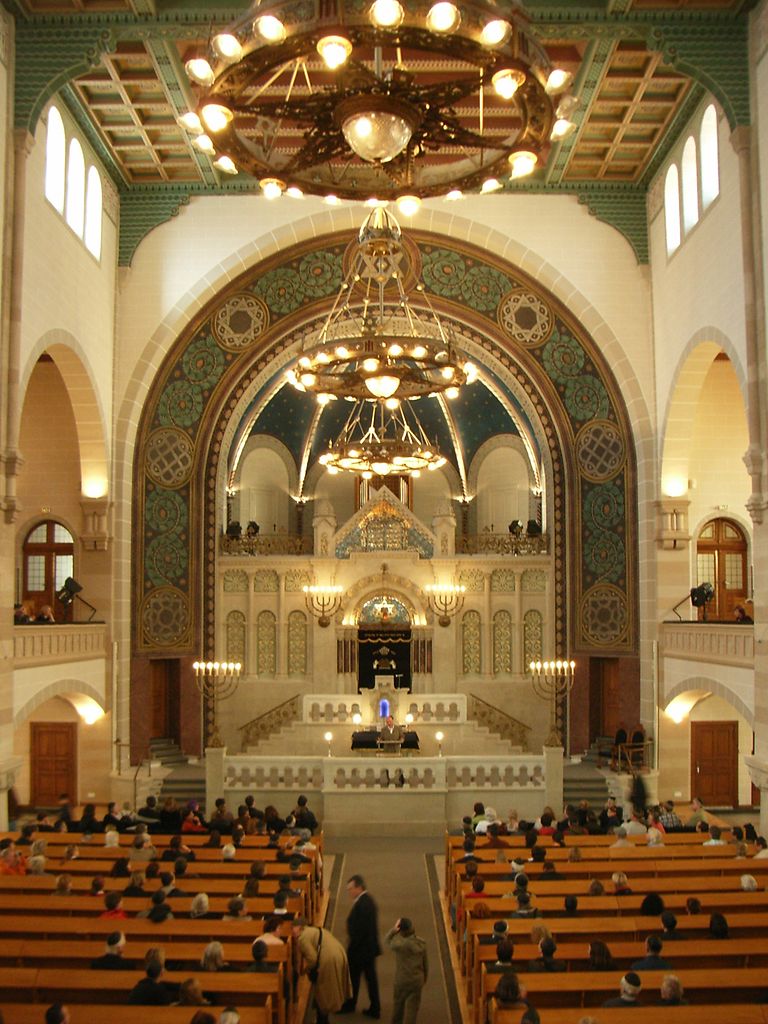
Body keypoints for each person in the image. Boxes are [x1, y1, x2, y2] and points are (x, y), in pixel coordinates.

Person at [293, 917, 353, 1024]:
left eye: (293, 928)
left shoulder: (302, 938)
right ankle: (322, 1020)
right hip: (339, 953)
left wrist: (305, 971)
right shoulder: (315, 930)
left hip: (328, 960)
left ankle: (322, 1021)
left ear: (299, 928)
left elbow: (313, 959)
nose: (292, 932)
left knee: (323, 993)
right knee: (326, 993)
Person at [340, 874, 381, 1018]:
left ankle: (358, 1006)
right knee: (364, 979)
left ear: (359, 887)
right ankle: (370, 1007)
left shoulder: (364, 904)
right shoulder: (365, 900)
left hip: (361, 950)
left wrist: (352, 946)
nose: (349, 892)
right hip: (367, 949)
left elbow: (361, 930)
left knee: (359, 979)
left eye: (350, 889)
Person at [385, 917, 428, 1024]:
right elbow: (425, 964)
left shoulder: (400, 945)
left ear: (401, 931)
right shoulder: (421, 943)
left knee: (398, 1006)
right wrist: (423, 979)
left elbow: (387, 940)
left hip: (402, 980)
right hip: (417, 980)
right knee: (413, 1010)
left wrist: (394, 930)